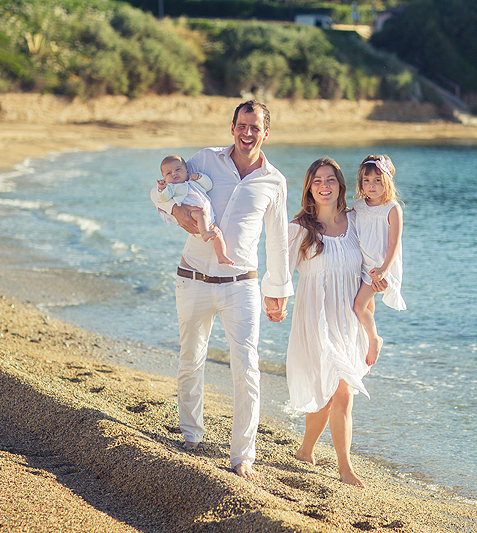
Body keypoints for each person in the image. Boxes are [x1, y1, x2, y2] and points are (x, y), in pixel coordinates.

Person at [150, 100, 292, 480]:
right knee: (190, 359)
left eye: (255, 127)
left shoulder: (274, 181)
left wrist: (278, 290)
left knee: (247, 368)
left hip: (241, 284)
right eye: (242, 125)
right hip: (192, 277)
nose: (248, 132)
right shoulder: (204, 160)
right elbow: (162, 191)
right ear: (232, 128)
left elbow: (278, 240)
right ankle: (191, 435)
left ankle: (243, 456)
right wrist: (175, 212)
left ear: (265, 133)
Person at [285, 157, 387, 488]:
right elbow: (280, 275)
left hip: (348, 320)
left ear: (340, 185)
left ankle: (305, 451)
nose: (324, 186)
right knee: (339, 390)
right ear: (309, 187)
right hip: (315, 318)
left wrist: (371, 330)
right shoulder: (299, 228)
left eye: (330, 179)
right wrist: (273, 303)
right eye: (317, 180)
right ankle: (345, 468)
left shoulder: (356, 221)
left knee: (331, 392)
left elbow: (369, 272)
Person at [352, 154, 405, 367]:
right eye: (366, 180)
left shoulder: (392, 208)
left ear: (387, 182)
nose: (371, 185)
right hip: (360, 264)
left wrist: (383, 270)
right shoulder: (358, 205)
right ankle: (364, 343)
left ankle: (374, 339)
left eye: (377, 180)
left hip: (377, 267)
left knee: (359, 307)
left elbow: (394, 243)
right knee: (368, 308)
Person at [154, 155, 234, 265]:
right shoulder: (172, 188)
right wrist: (161, 189)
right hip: (193, 214)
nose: (174, 174)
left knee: (218, 234)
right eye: (169, 173)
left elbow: (209, 185)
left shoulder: (194, 183)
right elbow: (164, 198)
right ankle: (204, 233)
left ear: (187, 171)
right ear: (164, 178)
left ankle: (221, 256)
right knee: (201, 213)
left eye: (178, 169)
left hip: (209, 219)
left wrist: (199, 177)